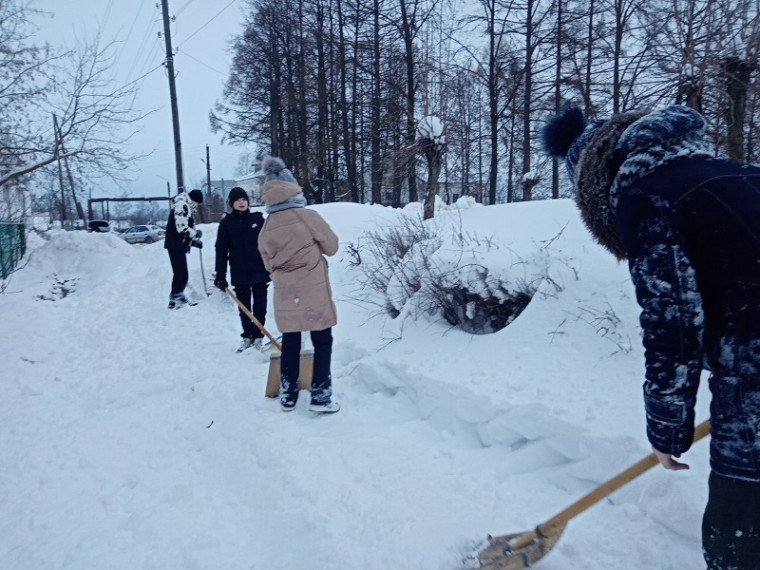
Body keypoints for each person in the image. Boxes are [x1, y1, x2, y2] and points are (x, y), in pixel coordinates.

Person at [541, 104, 760, 569]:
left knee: (736, 543)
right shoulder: (744, 173)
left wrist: (667, 428)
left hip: (752, 386)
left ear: (592, 185)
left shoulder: (647, 195)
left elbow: (673, 322)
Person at [257, 156, 340, 414]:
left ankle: (288, 395)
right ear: (292, 186)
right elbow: (332, 247)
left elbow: (267, 263)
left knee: (291, 341)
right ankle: (321, 395)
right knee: (322, 339)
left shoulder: (267, 225)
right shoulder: (307, 216)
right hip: (313, 287)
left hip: (285, 293)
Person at [214, 187, 271, 352]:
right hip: (240, 272)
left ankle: (258, 336)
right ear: (232, 203)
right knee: (244, 307)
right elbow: (221, 250)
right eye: (238, 200)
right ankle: (247, 337)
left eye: (244, 199)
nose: (241, 202)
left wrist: (272, 268)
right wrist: (220, 275)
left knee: (260, 306)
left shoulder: (258, 220)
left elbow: (269, 245)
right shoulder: (226, 223)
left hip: (260, 271)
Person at [164, 188, 204, 309]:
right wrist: (195, 234)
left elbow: (181, 232)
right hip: (175, 245)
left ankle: (174, 299)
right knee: (182, 273)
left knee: (180, 272)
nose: (197, 207)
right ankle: (177, 297)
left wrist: (193, 243)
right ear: (194, 200)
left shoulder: (184, 206)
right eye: (197, 204)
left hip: (176, 244)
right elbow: (181, 228)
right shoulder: (183, 205)